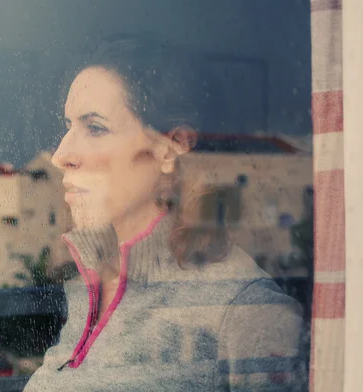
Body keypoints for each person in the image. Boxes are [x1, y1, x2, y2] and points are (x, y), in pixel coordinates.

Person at [23, 35, 306, 391]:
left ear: (170, 148)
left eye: (95, 128)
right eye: (68, 127)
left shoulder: (246, 312)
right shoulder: (89, 286)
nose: (61, 154)